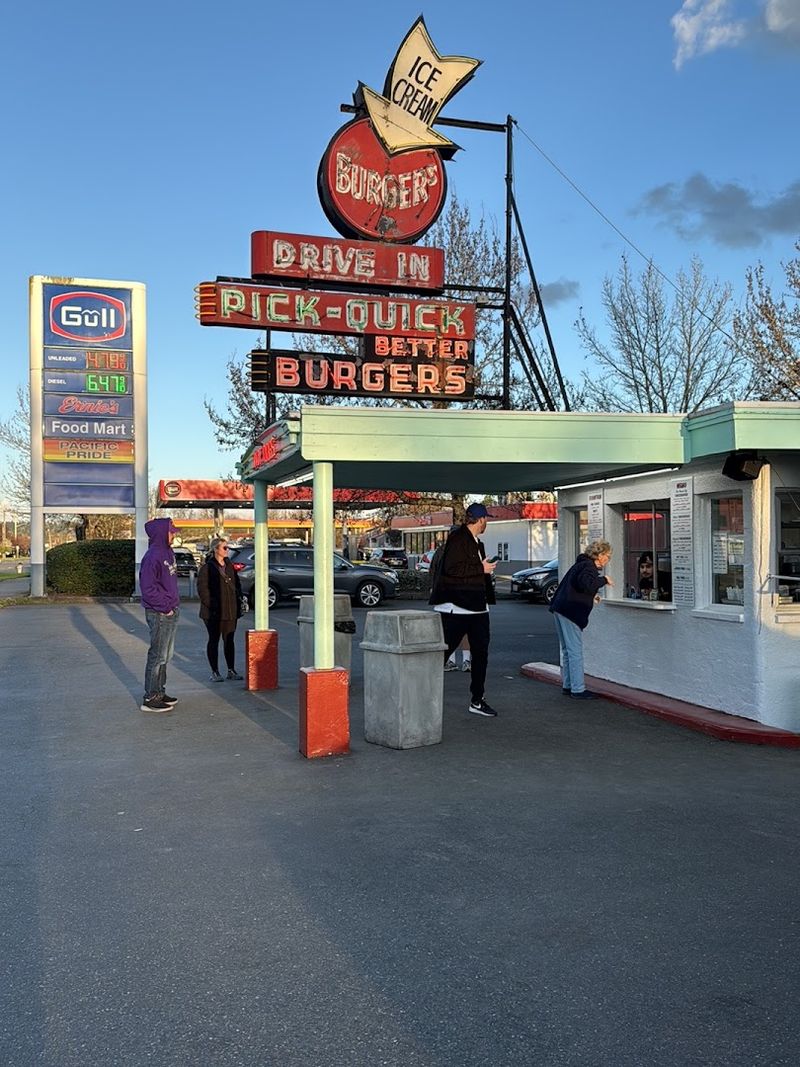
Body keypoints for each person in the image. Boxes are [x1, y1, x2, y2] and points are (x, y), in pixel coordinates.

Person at [430, 503, 497, 716]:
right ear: (480, 519)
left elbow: (470, 571)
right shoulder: (458, 539)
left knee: (481, 654)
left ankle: (477, 700)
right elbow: (452, 568)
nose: (487, 522)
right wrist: (481, 568)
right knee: (440, 654)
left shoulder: (478, 543)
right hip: (456, 607)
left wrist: (485, 573)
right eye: (486, 518)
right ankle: (417, 694)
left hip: (477, 607)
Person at [549, 540, 614, 701]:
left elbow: (580, 586)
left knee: (567, 650)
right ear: (599, 556)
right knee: (575, 651)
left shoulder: (581, 564)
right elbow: (587, 584)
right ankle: (577, 689)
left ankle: (568, 685)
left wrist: (593, 595)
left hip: (560, 608)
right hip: (571, 611)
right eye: (607, 556)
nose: (608, 559)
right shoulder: (588, 567)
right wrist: (604, 580)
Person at [139, 517, 181, 713]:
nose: (174, 534)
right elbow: (148, 589)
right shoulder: (152, 556)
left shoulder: (168, 552)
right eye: (171, 531)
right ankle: (151, 697)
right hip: (159, 613)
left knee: (166, 655)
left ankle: (160, 691)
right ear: (162, 533)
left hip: (170, 611)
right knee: (157, 655)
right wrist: (165, 607)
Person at [197, 536, 244, 682]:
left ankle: (231, 670)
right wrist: (213, 605)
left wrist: (239, 600)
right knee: (214, 640)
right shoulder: (207, 568)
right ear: (216, 549)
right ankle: (215, 672)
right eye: (224, 547)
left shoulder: (230, 566)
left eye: (227, 547)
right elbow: (202, 589)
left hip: (230, 611)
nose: (227, 550)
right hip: (213, 613)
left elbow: (237, 585)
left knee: (229, 640)